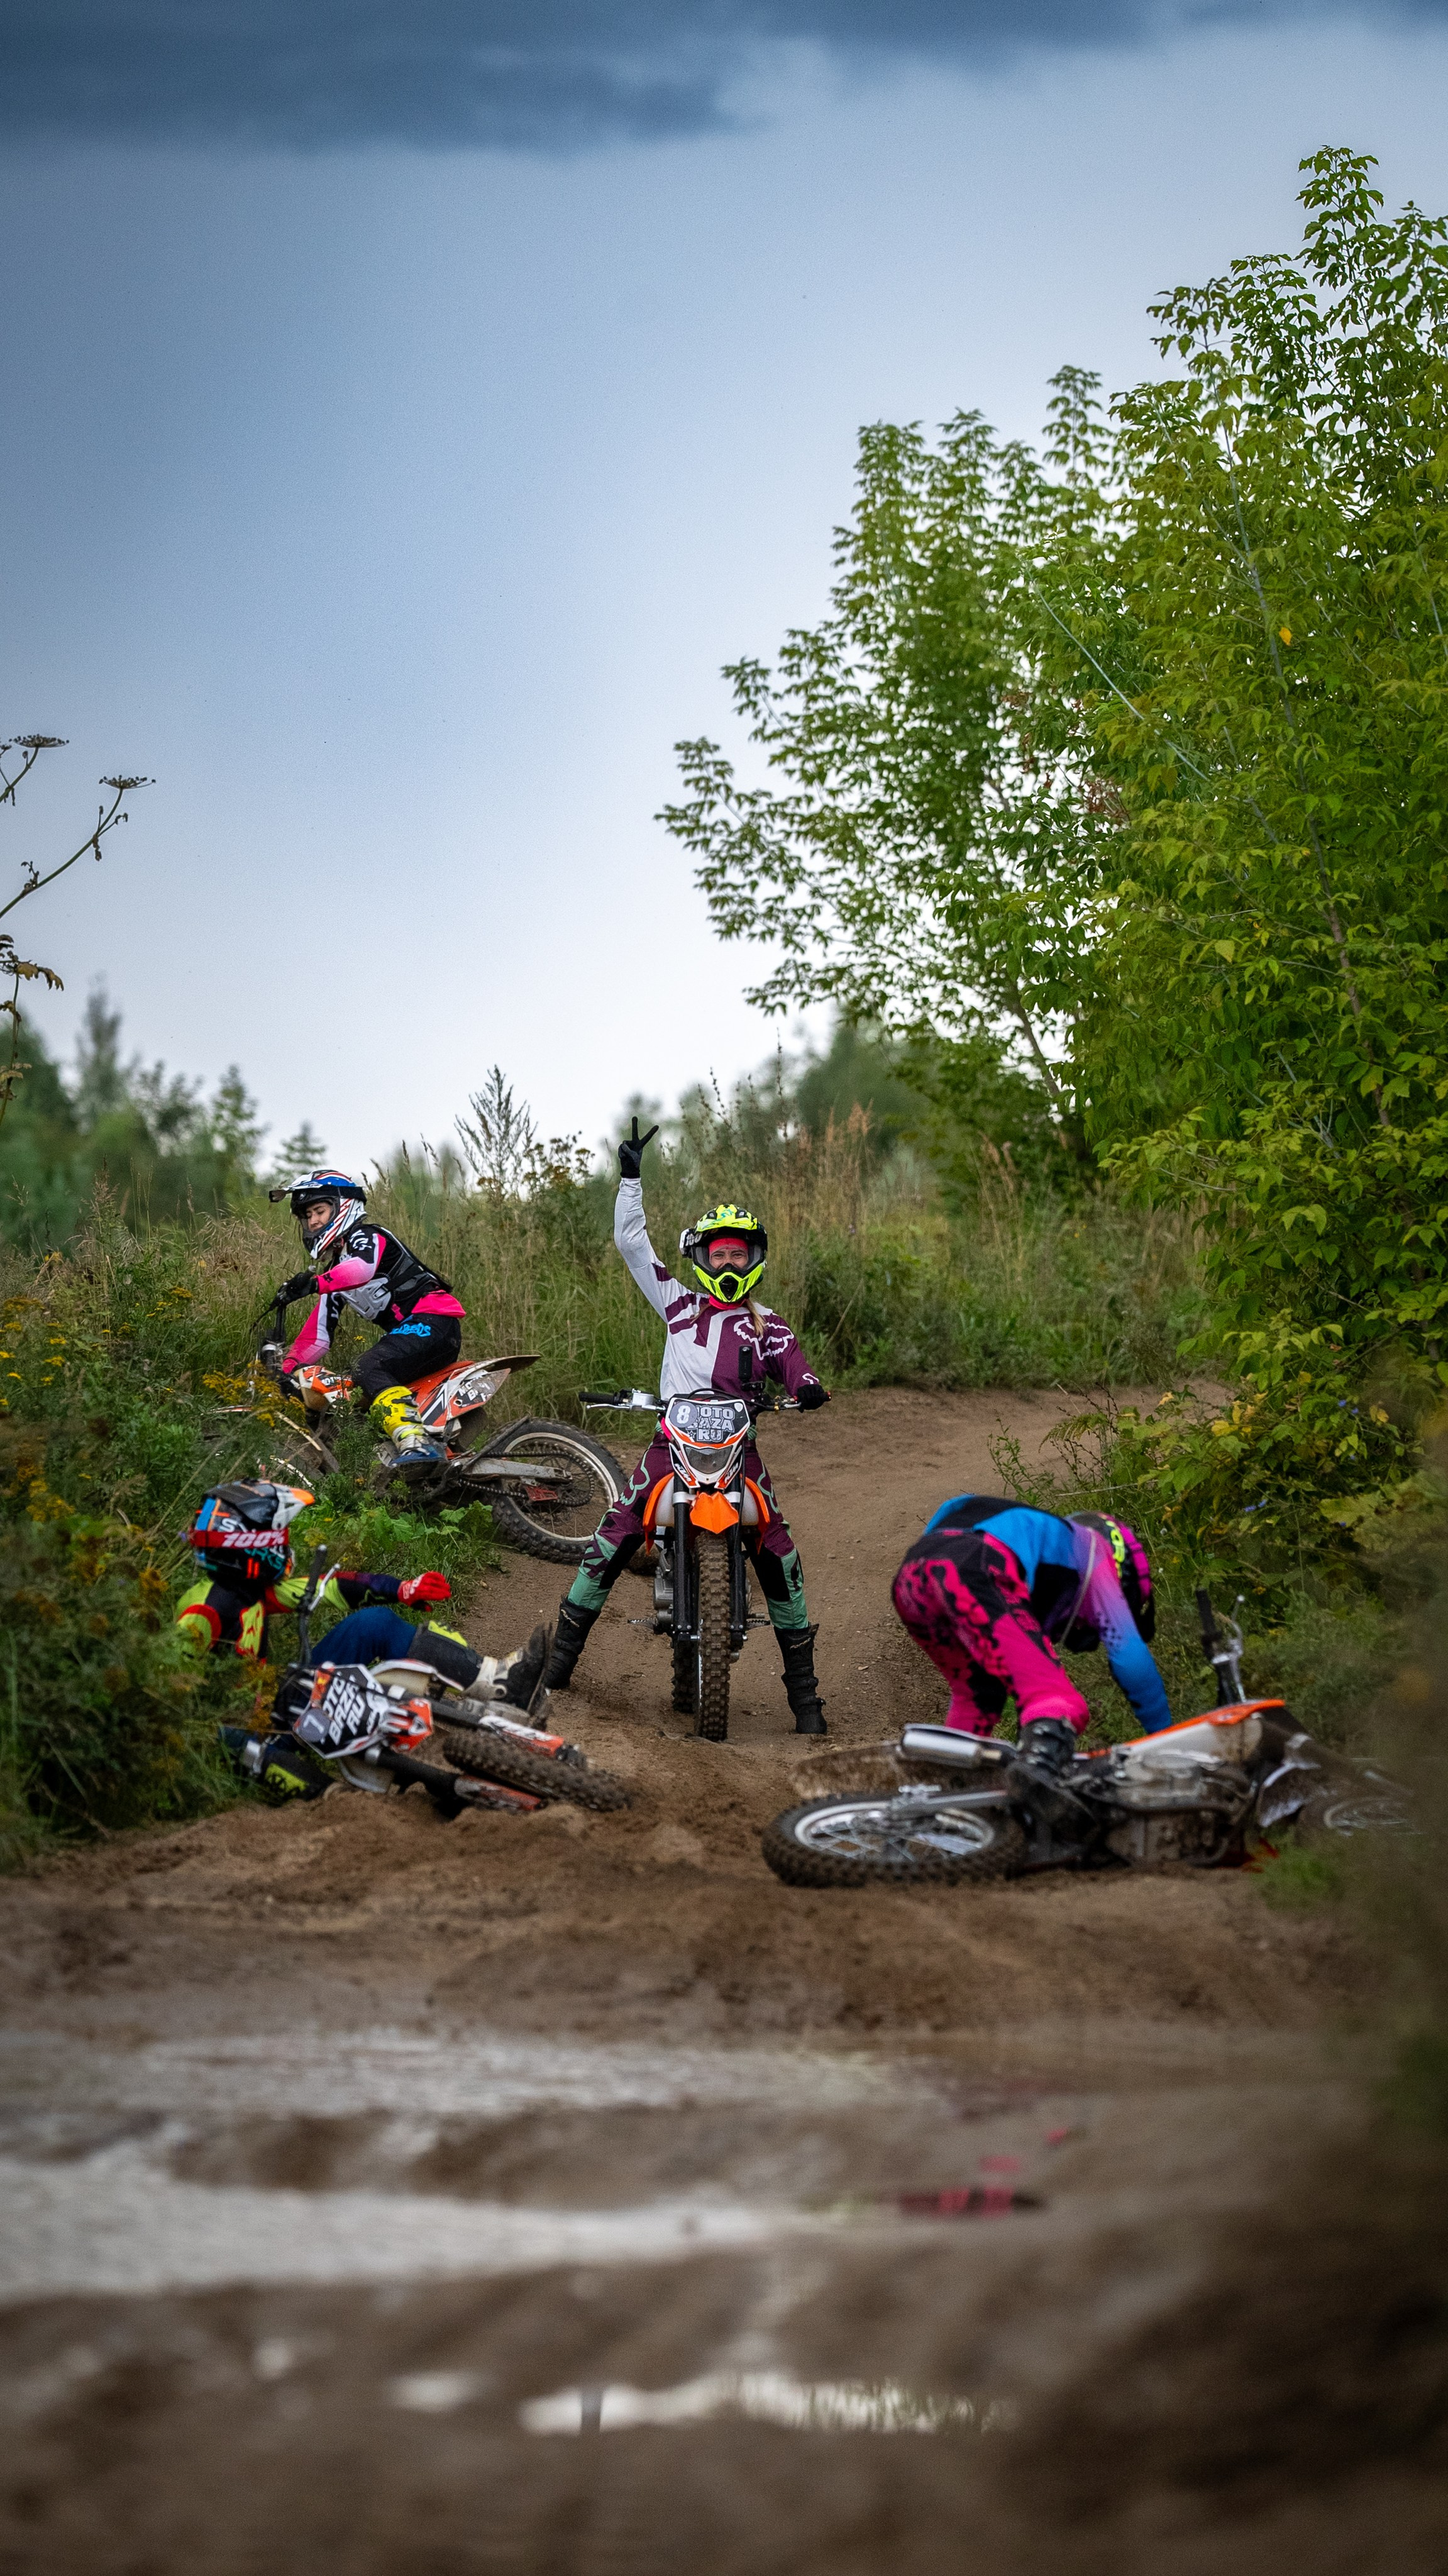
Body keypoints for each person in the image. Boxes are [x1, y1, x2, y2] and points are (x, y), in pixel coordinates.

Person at [542, 1118, 830, 1733]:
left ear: (753, 1257)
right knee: (615, 1530)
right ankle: (557, 1666)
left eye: (737, 1252)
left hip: (738, 1448)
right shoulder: (676, 1302)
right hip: (670, 1443)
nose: (727, 1260)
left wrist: (805, 1387)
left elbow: (795, 1366)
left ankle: (806, 1701)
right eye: (717, 1252)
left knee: (777, 1550)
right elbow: (632, 1244)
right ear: (700, 1257)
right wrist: (628, 1178)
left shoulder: (766, 1322)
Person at [177, 1479, 548, 1799]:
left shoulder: (249, 1589)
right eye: (280, 1538)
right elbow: (167, 1692)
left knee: (373, 1623)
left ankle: (499, 1683)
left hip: (278, 1700)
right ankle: (333, 1800)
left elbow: (330, 1587)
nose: (285, 1547)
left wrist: (401, 1589)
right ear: (251, 1544)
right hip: (250, 1733)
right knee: (249, 1746)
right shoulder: (205, 1612)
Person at [891, 1492, 1170, 1796]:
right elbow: (1131, 1657)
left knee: (979, 1695)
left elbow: (953, 1505)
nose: (1079, 1628)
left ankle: (942, 1798)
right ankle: (1034, 1796)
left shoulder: (1036, 1531)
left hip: (913, 1580)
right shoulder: (1093, 1548)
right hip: (976, 1567)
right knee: (1055, 1701)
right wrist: (1168, 1741)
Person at [267, 1168, 465, 1472]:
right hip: (414, 1334)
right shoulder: (336, 1274)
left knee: (368, 1366)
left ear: (342, 1206)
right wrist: (285, 1370)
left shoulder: (367, 1237)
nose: (313, 1221)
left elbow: (362, 1269)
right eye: (307, 1216)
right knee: (349, 1387)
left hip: (435, 1320)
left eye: (319, 1210)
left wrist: (315, 1283)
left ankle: (417, 1442)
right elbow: (317, 1337)